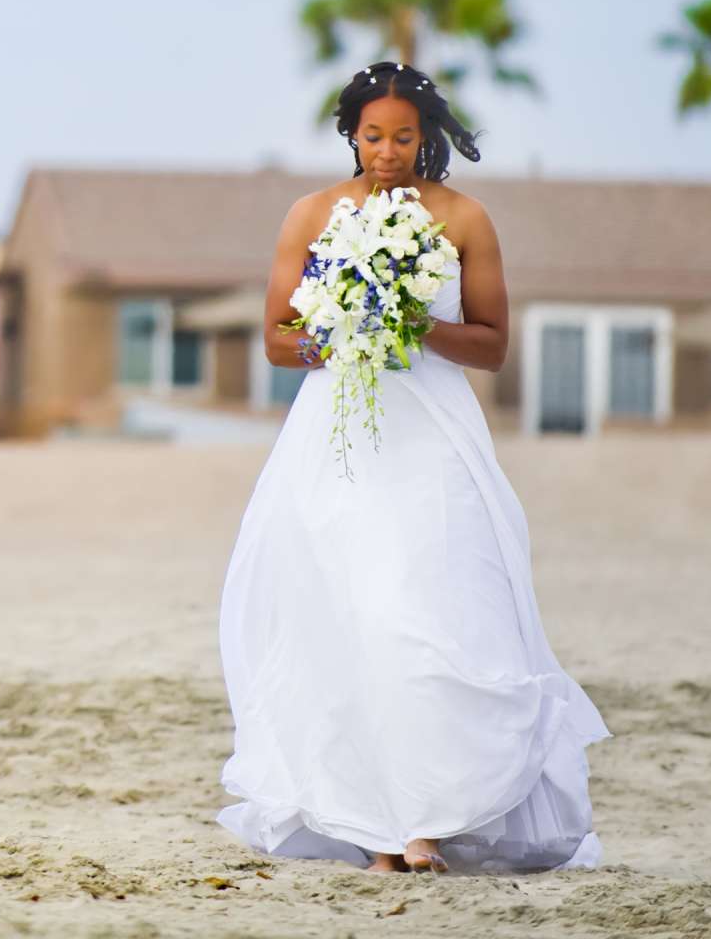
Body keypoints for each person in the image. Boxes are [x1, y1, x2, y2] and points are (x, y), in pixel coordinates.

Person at [216, 61, 609, 875]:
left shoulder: (464, 217)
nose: (387, 151)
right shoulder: (312, 214)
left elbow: (493, 344)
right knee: (347, 615)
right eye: (372, 136)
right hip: (337, 436)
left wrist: (414, 324)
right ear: (350, 134)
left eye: (403, 136)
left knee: (425, 611)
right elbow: (278, 339)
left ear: (426, 136)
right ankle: (378, 831)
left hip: (431, 433)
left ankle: (427, 821)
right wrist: (342, 331)